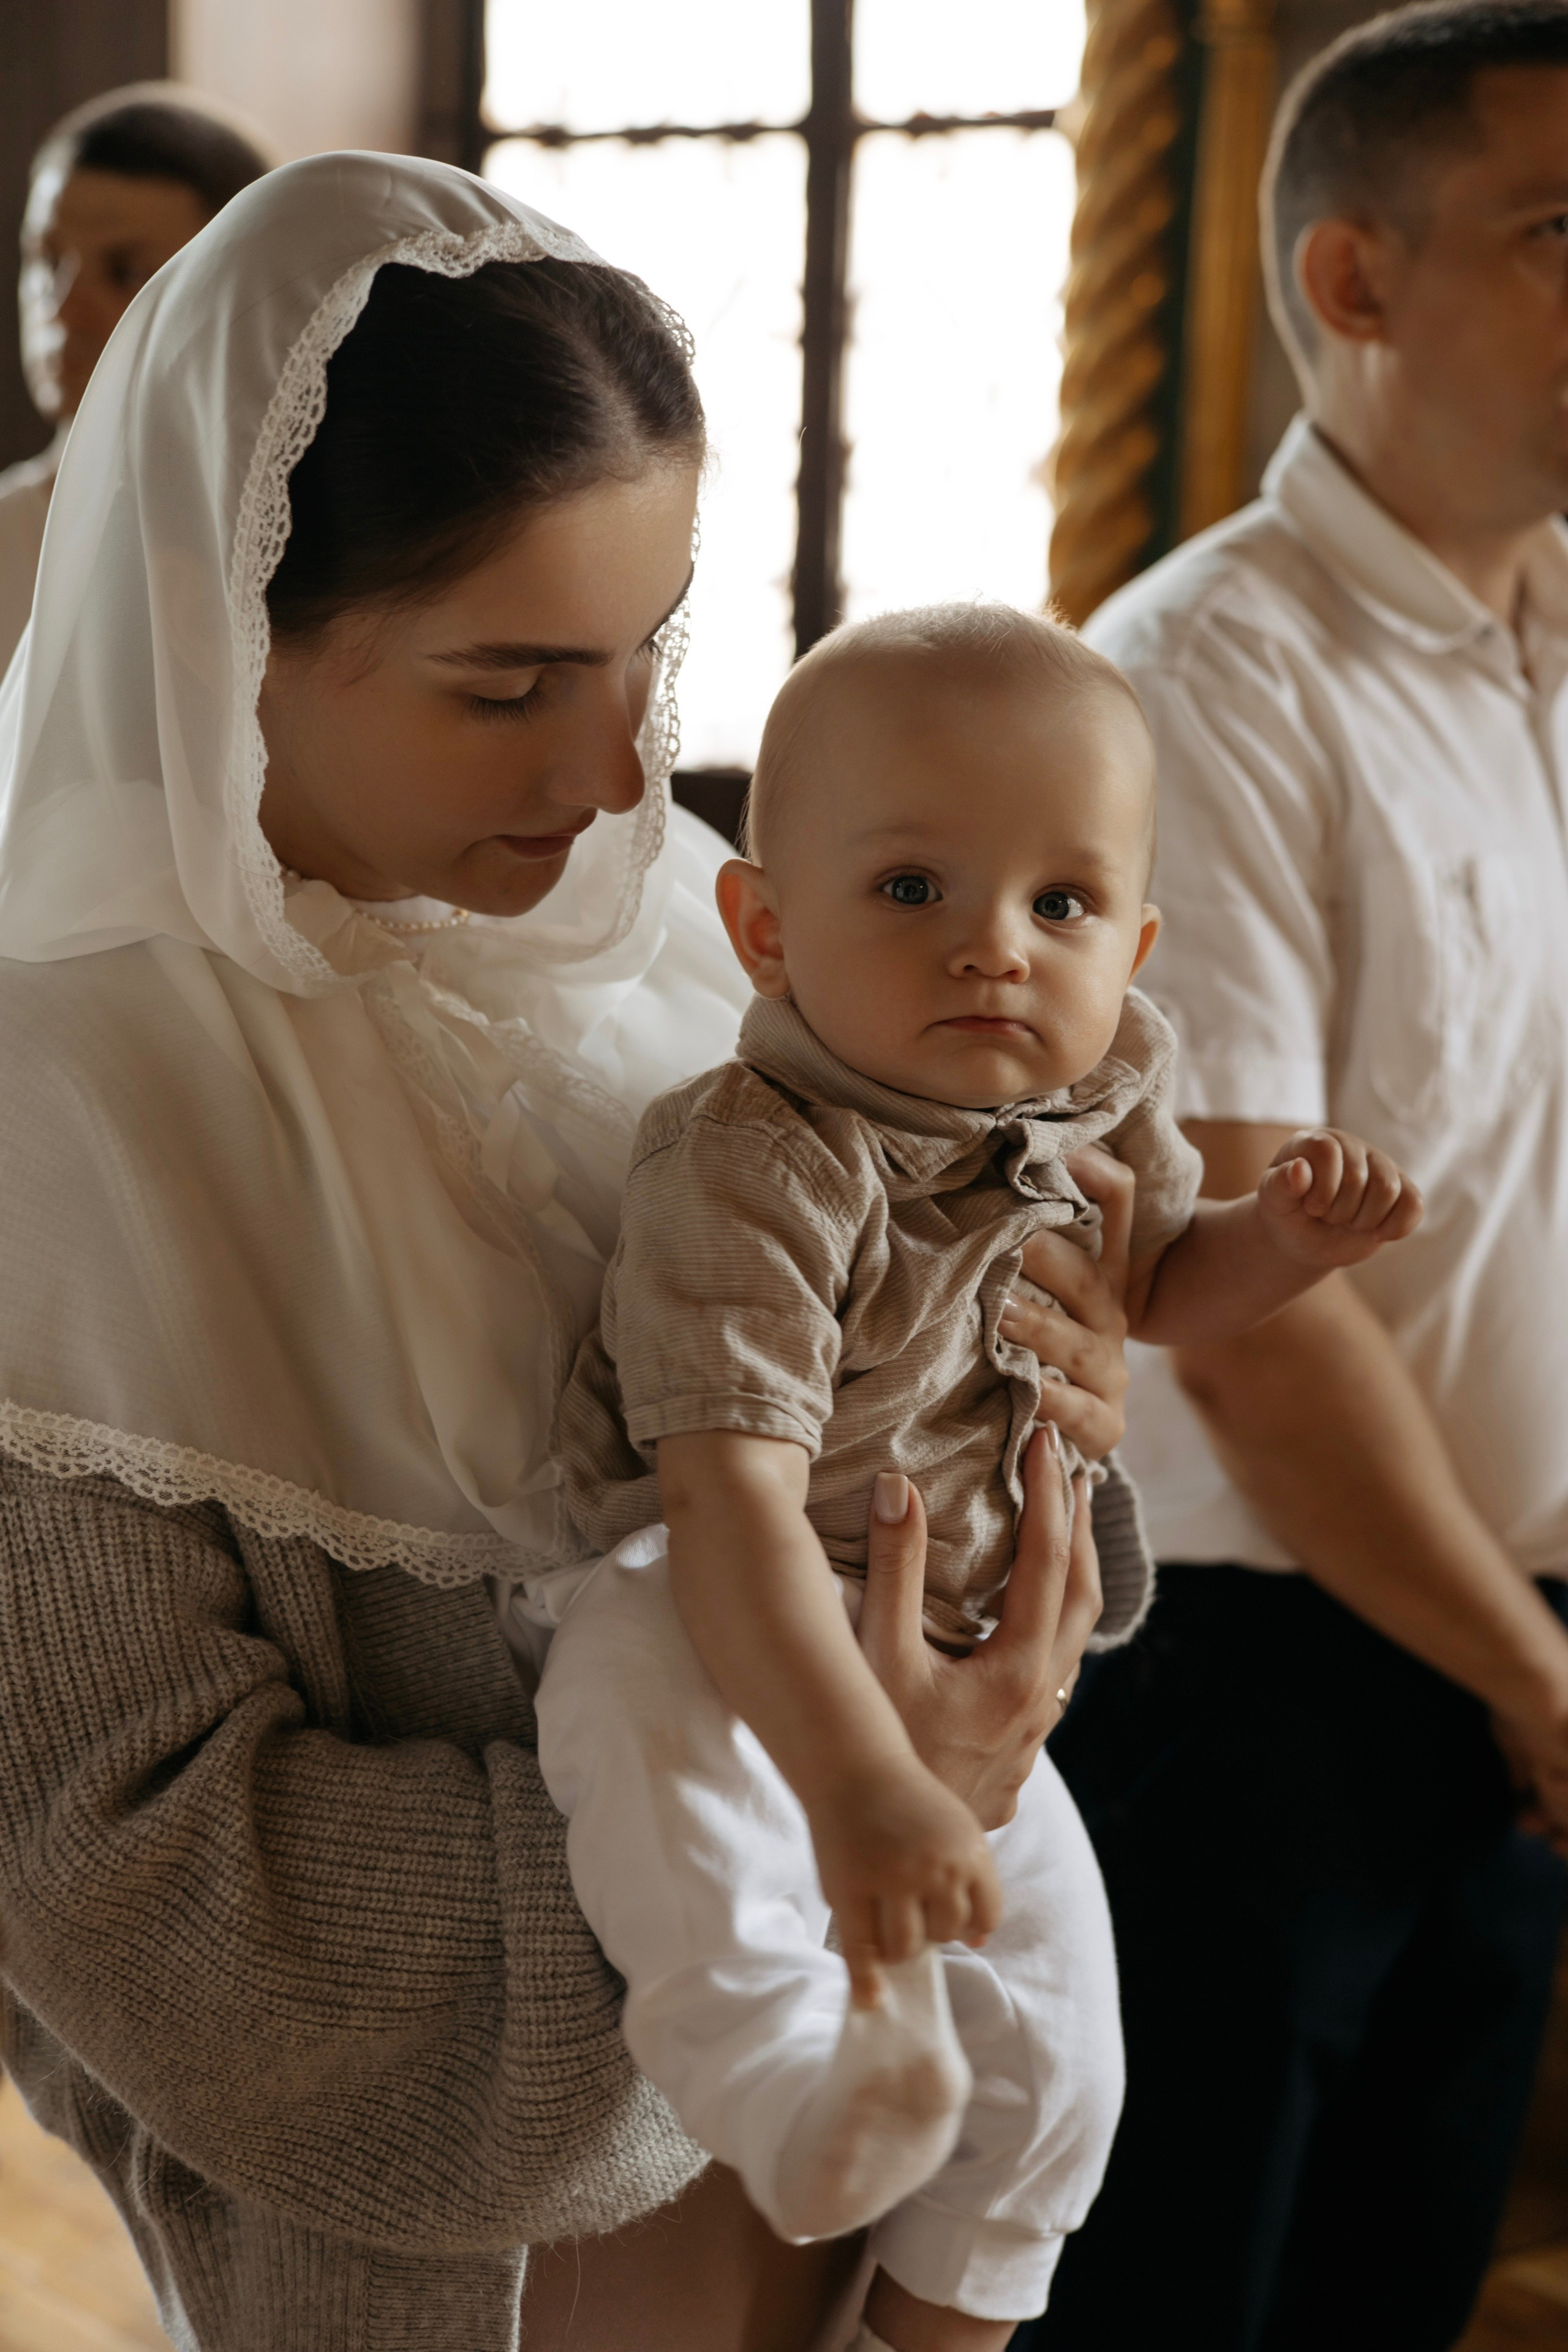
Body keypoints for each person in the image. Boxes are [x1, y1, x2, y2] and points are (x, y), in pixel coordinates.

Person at [0, 153, 1128, 2351]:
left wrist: (1033, 1427)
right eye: (504, 683)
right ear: (221, 617)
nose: (618, 765)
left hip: (861, 2174)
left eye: (644, 655)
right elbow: (146, 1887)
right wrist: (832, 1811)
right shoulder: (62, 1111)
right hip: (434, 2257)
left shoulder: (683, 970)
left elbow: (889, 1443)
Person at [541, 603, 1421, 2352]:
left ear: (1139, 944)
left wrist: (1283, 1244)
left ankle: (932, 2335)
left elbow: (1160, 1287)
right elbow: (725, 1496)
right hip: (728, 1614)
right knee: (667, 1793)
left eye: (1064, 906)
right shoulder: (761, 1163)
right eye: (914, 891)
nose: (997, 952)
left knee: (1074, 2050)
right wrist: (861, 1785)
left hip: (960, 1665)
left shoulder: (1099, 1115)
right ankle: (789, 2083)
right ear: (765, 927)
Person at [1028, 5, 1568, 2347]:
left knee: (1397, 2285)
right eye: (1559, 233)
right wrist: (1530, 1674)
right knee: (1185, 2306)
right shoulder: (1195, 681)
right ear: (1351, 285)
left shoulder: (1536, 642)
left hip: (1506, 1643)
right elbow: (1241, 1309)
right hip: (1259, 1666)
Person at [0, 82, 274, 669]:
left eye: (124, 271)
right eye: (48, 261)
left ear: (230, 295)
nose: (63, 308)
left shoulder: (303, 549)